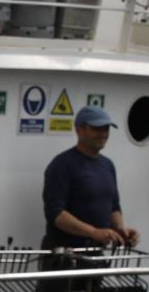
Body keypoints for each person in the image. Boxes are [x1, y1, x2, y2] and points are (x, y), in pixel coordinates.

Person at [43, 105, 139, 249]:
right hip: (65, 257)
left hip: (95, 255)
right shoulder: (62, 164)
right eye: (96, 129)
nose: (103, 134)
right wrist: (93, 232)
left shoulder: (108, 165)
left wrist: (121, 230)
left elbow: (113, 206)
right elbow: (56, 214)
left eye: (106, 129)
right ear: (79, 130)